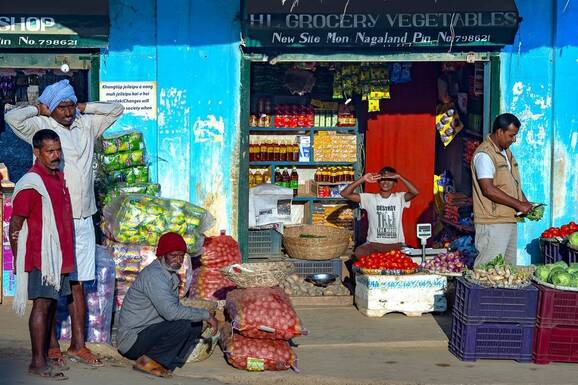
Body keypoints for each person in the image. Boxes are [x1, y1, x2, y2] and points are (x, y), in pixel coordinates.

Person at [5, 79, 124, 366]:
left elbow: (116, 109)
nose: (69, 112)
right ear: (51, 108)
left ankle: (78, 345)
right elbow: (11, 117)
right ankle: (50, 344)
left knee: (78, 284)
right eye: (63, 106)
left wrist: (82, 106)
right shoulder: (44, 130)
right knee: (50, 286)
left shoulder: (86, 125)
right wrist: (40, 109)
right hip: (54, 221)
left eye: (71, 105)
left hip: (83, 218)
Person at [9, 130, 75, 380]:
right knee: (42, 305)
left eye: (58, 150)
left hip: (57, 255)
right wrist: (19, 262)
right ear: (37, 152)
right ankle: (37, 362)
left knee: (50, 307)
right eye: (50, 151)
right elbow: (15, 226)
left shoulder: (58, 177)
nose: (56, 155)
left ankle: (45, 357)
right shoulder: (31, 182)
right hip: (40, 256)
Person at [117, 232, 218, 378]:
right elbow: (171, 313)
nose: (178, 260)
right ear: (162, 255)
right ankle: (148, 362)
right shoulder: (155, 276)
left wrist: (200, 316)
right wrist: (206, 314)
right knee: (182, 325)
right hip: (133, 340)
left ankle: (169, 359)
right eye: (173, 255)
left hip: (149, 331)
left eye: (181, 256)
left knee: (194, 324)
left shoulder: (169, 274)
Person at [471, 113, 533, 266]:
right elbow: (488, 189)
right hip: (492, 222)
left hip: (509, 219)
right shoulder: (484, 154)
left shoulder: (506, 153)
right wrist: (518, 205)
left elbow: (512, 182)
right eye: (511, 135)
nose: (514, 139)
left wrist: (523, 200)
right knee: (488, 271)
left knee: (507, 271)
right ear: (499, 132)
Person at [341, 166, 419, 257]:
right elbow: (344, 193)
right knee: (360, 252)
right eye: (382, 179)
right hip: (374, 244)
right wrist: (363, 179)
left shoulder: (400, 197)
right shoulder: (369, 198)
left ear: (395, 183)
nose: (385, 182)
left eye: (389, 180)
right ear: (378, 181)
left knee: (409, 255)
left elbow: (415, 192)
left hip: (396, 244)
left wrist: (399, 176)